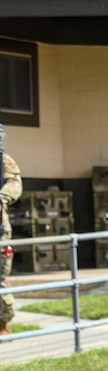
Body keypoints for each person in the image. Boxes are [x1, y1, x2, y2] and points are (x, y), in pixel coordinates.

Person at [0, 123, 20, 333]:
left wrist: (1, 197)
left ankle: (2, 323)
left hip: (0, 230)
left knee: (0, 278)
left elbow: (14, 183)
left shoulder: (4, 160)